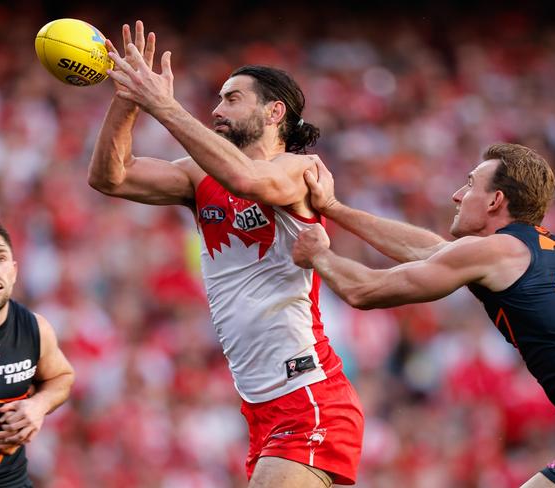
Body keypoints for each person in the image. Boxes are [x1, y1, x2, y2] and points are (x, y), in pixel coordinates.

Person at [87, 21, 363, 487]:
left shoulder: (300, 170)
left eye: (232, 98)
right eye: (217, 98)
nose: (217, 109)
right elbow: (110, 177)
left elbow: (250, 181)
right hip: (259, 407)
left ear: (275, 112)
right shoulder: (199, 177)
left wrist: (164, 104)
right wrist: (128, 101)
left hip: (309, 396)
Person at [292, 142, 555, 488]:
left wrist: (320, 256)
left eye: (471, 184)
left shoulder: (500, 251)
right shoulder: (535, 248)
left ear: (495, 201)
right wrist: (333, 209)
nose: (457, 195)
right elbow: (427, 250)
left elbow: (364, 290)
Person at [0, 216, 75, 487]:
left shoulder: (34, 328)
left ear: (13, 271)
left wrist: (38, 406)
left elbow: (62, 377)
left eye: (1, 258)